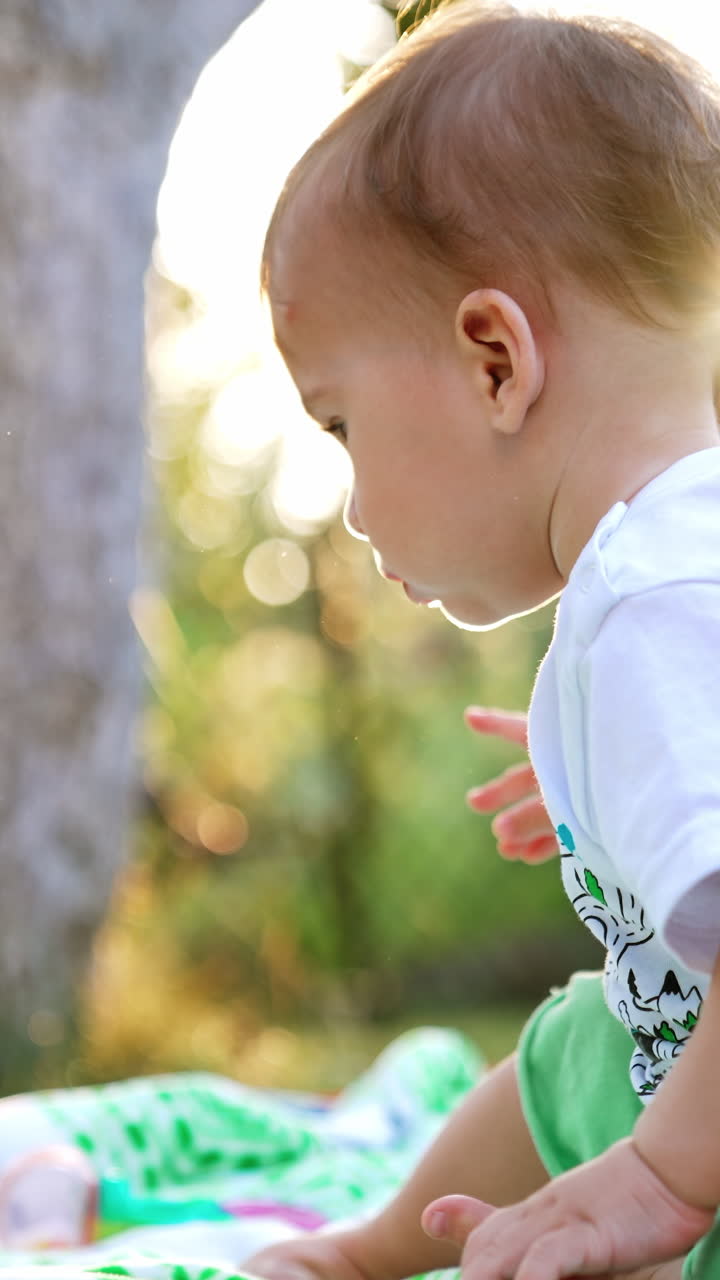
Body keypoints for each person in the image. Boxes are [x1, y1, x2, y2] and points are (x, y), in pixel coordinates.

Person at [247, 2, 720, 1277]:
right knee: (579, 1041)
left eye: (340, 425)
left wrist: (664, 1174)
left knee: (590, 1059)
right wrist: (607, 766)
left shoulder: (656, 604)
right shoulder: (671, 585)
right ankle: (374, 1247)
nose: (347, 502)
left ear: (495, 360)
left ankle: (361, 1253)